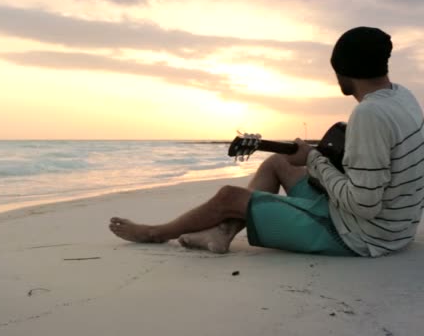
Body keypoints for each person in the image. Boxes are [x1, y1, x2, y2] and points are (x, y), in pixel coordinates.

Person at [109, 26, 424, 257]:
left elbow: (364, 204)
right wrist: (316, 158)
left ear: (341, 72)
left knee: (229, 197)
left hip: (358, 236)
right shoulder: (402, 97)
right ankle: (221, 233)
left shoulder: (370, 114)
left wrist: (314, 161)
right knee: (277, 162)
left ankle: (155, 233)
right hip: (396, 229)